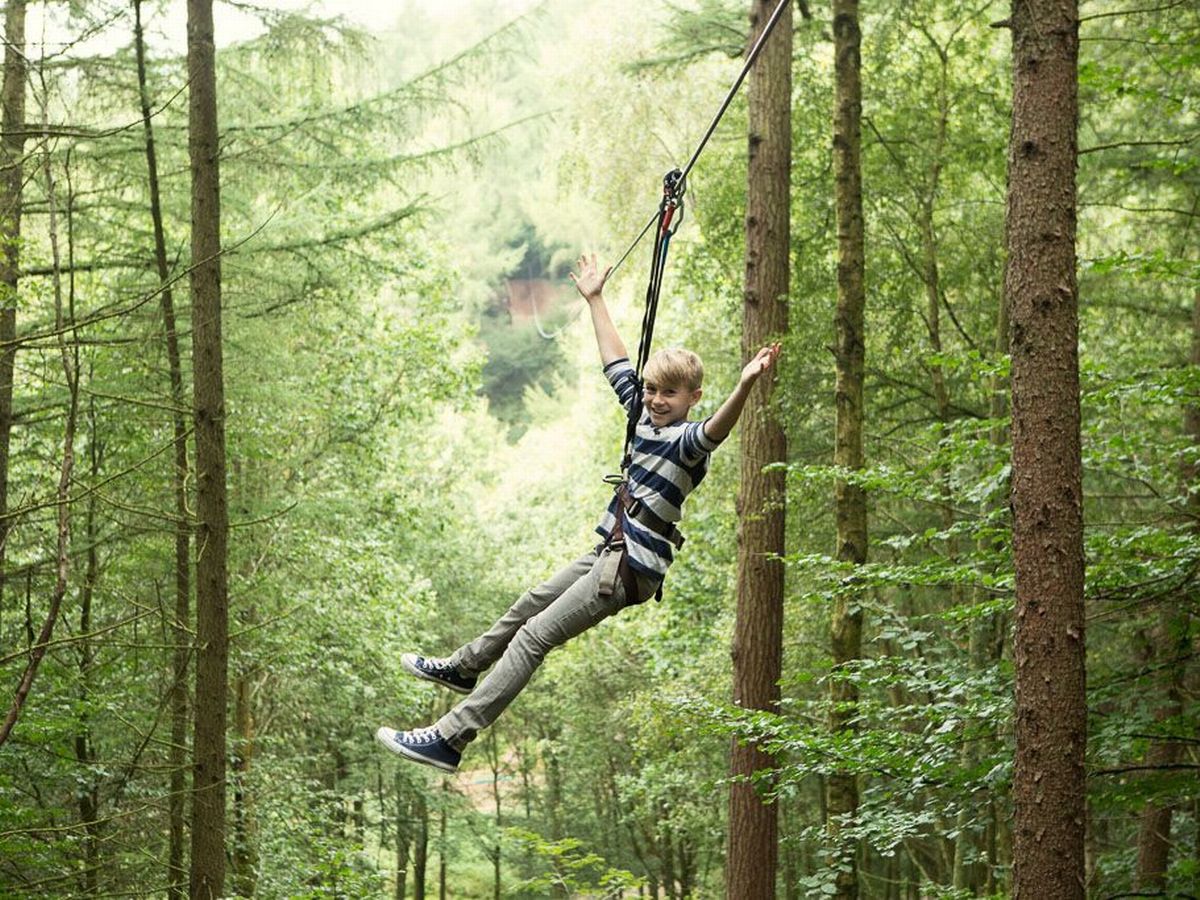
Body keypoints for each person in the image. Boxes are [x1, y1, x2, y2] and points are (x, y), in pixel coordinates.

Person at [376, 254, 780, 772]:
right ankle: (464, 666)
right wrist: (595, 299)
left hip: (631, 566)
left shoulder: (686, 442)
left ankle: (450, 738)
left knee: (534, 636)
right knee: (529, 605)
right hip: (609, 549)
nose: (657, 400)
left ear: (692, 398)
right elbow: (615, 362)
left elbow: (717, 429)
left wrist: (745, 385)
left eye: (669, 394)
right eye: (653, 390)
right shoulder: (641, 414)